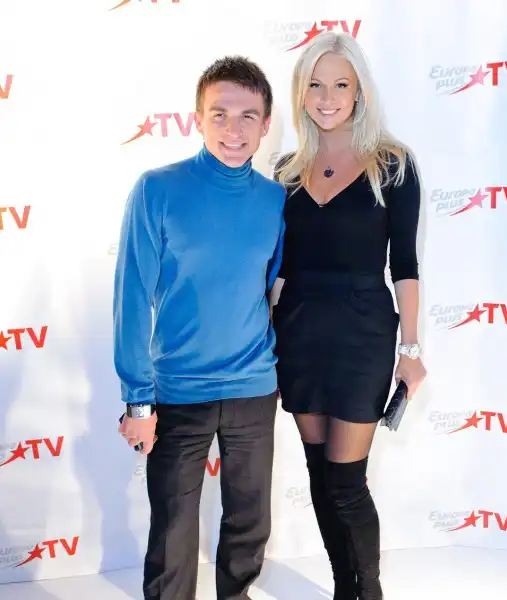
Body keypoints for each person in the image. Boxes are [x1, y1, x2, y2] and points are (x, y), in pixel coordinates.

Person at [113, 56, 286, 600]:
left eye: (248, 116)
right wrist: (138, 402)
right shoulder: (157, 190)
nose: (233, 129)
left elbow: (273, 292)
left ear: (266, 124)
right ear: (197, 119)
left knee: (250, 525)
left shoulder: (276, 201)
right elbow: (131, 300)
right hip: (177, 391)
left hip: (254, 389)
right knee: (172, 530)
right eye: (219, 114)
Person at [271, 32, 427, 600]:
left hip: (363, 332)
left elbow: (404, 265)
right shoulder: (286, 171)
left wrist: (411, 350)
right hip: (299, 332)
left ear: (359, 90)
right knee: (320, 475)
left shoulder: (393, 164)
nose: (327, 97)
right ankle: (345, 588)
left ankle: (369, 592)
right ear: (301, 93)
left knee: (346, 482)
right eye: (315, 85)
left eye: (340, 84)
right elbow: (278, 270)